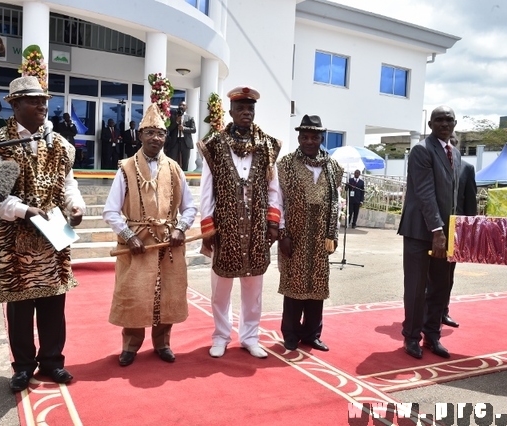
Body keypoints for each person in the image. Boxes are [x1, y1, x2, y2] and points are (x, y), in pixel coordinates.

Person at [0, 75, 86, 393]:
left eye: (44, 100)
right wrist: (27, 211)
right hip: (14, 238)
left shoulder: (60, 144)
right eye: (33, 100)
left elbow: (69, 185)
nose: (42, 105)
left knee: (54, 303)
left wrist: (75, 207)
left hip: (54, 233)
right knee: (20, 306)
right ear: (14, 105)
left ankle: (52, 361)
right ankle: (23, 367)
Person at [103, 103, 197, 367]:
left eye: (161, 133)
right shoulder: (125, 168)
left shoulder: (176, 169)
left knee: (168, 292)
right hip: (136, 244)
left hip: (169, 242)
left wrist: (181, 228)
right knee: (133, 293)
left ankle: (163, 343)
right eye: (150, 133)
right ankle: (130, 346)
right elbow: (110, 211)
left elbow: (190, 207)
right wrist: (129, 236)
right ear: (140, 135)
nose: (156, 138)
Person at [198, 86, 282, 359]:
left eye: (251, 109)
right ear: (231, 112)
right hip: (226, 229)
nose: (246, 113)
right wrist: (208, 227)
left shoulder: (268, 145)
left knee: (253, 289)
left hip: (257, 230)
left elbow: (274, 189)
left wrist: (273, 223)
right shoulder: (213, 145)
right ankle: (221, 336)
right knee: (220, 289)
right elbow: (206, 189)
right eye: (241, 109)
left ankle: (250, 337)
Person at [397, 106, 460, 360]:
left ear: (455, 123)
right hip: (421, 232)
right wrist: (437, 229)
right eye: (439, 120)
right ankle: (411, 337)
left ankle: (432, 335)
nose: (444, 124)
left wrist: (453, 231)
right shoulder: (422, 150)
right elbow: (425, 192)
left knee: (440, 287)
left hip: (446, 233)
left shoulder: (454, 152)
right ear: (431, 124)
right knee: (416, 287)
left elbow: (452, 196)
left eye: (449, 120)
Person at [277, 115, 344, 352]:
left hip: (320, 237)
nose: (309, 141)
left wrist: (332, 233)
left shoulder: (333, 167)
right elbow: (278, 201)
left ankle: (312, 334)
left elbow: (336, 200)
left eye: (314, 137)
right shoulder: (285, 164)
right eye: (304, 136)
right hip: (293, 235)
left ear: (321, 138)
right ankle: (291, 333)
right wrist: (282, 233)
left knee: (317, 285)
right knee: (294, 285)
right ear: (298, 137)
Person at [441, 133, 478, 328]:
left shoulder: (467, 169)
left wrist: (469, 234)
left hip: (455, 233)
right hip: (433, 229)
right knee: (428, 275)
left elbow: (470, 204)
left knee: (448, 275)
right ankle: (425, 312)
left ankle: (443, 311)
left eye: (453, 142)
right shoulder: (433, 166)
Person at [167, 101, 196, 171]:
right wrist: (176, 121)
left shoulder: (190, 117)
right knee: (172, 161)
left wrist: (184, 129)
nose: (181, 106)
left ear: (186, 107)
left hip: (185, 142)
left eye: (183, 105)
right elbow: (169, 129)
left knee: (185, 162)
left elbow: (194, 130)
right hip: (175, 141)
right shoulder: (173, 116)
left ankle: (184, 180)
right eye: (180, 105)